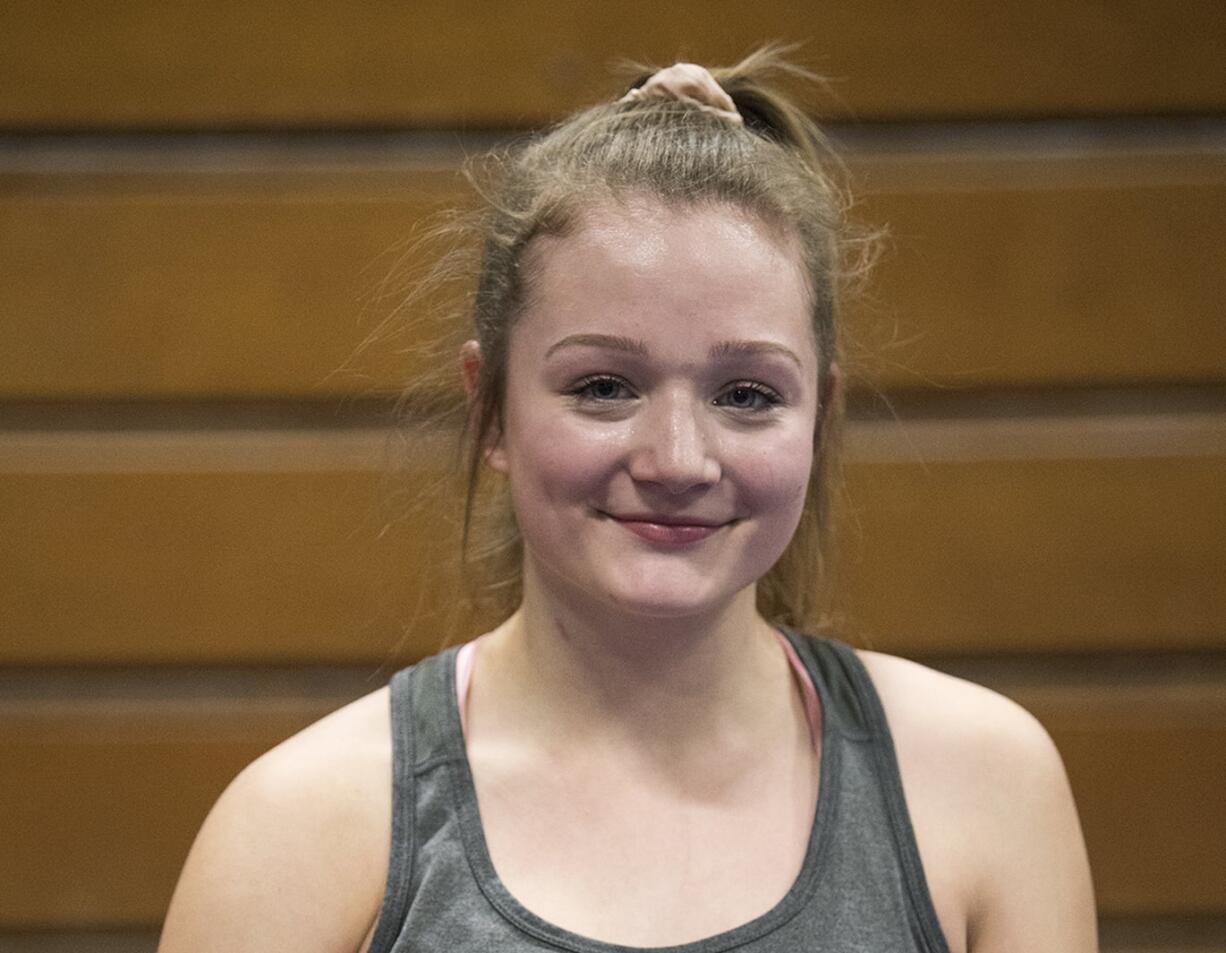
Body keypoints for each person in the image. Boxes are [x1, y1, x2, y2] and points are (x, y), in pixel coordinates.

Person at [158, 50, 1097, 953]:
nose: (679, 460)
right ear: (490, 409)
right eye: (604, 385)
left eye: (747, 395)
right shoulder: (301, 830)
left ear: (821, 418)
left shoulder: (985, 786)